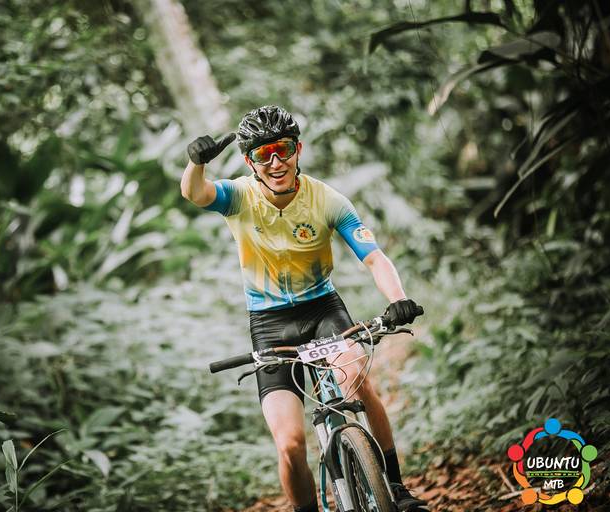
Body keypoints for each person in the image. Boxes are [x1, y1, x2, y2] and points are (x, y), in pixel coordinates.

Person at [180, 105, 429, 512]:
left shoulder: (326, 199)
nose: (275, 162)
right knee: (291, 444)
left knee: (356, 382)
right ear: (249, 162)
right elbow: (195, 193)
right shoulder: (239, 197)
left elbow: (374, 257)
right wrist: (196, 163)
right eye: (263, 154)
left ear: (298, 149)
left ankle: (396, 486)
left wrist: (397, 299)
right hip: (269, 324)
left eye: (282, 149)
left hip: (322, 310)